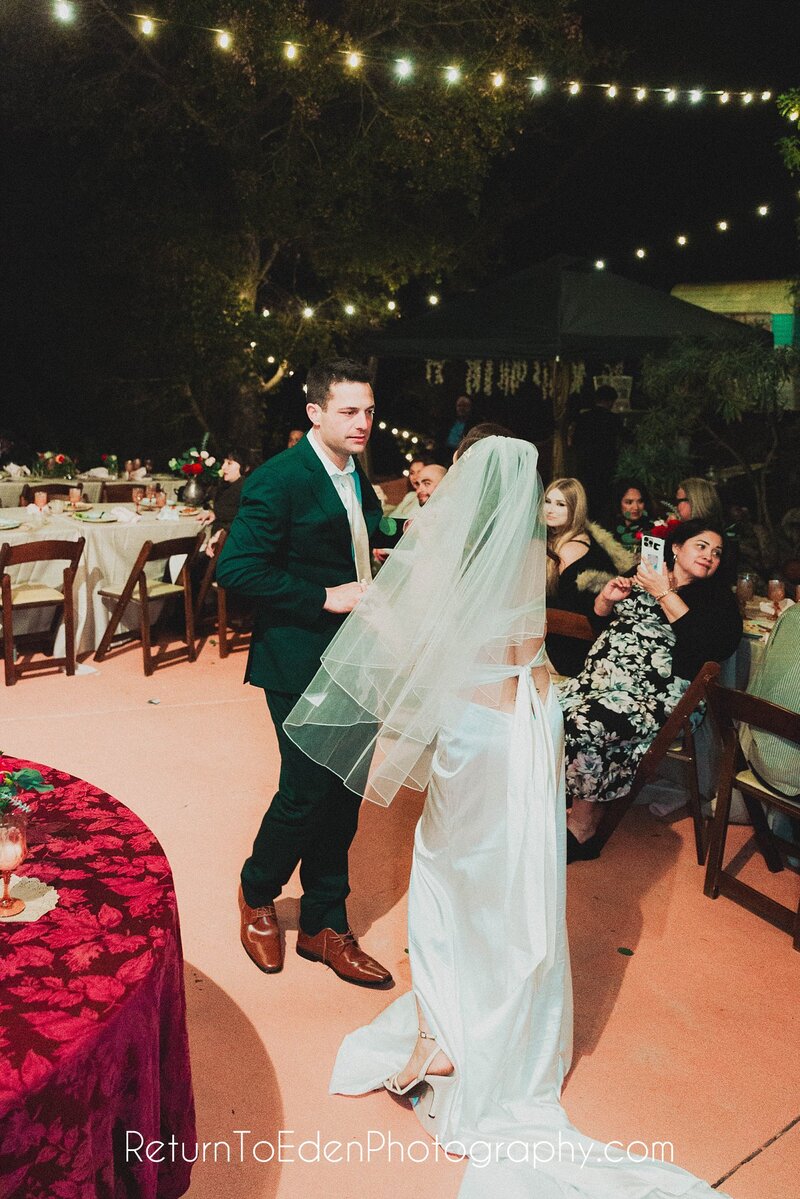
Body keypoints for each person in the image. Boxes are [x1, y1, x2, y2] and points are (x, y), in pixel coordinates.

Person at [284, 437, 733, 1199]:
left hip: (466, 728)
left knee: (446, 869)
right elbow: (530, 657)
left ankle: (440, 1027)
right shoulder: (522, 554)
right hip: (513, 727)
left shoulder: (445, 549)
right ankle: (474, 1021)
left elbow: (413, 638)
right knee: (502, 877)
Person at [216, 358, 392, 987]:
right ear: (315, 413)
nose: (362, 422)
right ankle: (256, 890)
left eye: (368, 411)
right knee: (306, 789)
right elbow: (236, 568)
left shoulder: (354, 474)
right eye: (348, 411)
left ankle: (323, 922)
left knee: (345, 792)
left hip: (360, 655)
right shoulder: (280, 478)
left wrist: (386, 545)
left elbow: (351, 540)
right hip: (298, 657)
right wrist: (324, 595)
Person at [561, 519, 742, 861]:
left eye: (717, 552)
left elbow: (708, 648)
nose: (710, 556)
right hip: (599, 680)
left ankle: (583, 825)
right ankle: (570, 802)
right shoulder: (644, 573)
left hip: (657, 696)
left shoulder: (717, 599)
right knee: (548, 711)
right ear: (676, 547)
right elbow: (600, 621)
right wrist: (606, 599)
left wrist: (663, 592)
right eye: (701, 546)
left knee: (587, 722)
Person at [544, 477, 633, 676]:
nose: (550, 509)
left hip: (571, 647)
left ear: (576, 510)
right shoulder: (559, 538)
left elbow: (561, 605)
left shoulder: (570, 548)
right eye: (547, 501)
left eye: (560, 504)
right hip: (558, 634)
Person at [571, 384, 620, 512]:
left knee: (586, 496)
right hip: (606, 464)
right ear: (610, 401)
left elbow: (575, 441)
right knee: (603, 497)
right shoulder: (613, 419)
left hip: (585, 463)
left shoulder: (583, 417)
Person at [196, 447, 253, 557]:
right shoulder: (229, 487)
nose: (223, 467)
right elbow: (231, 511)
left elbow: (247, 521)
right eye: (224, 462)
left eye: (229, 463)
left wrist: (223, 533)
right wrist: (214, 514)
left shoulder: (246, 490)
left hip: (230, 552)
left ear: (246, 468)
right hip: (219, 547)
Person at [609, 477, 655, 550]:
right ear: (618, 503)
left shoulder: (653, 529)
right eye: (629, 502)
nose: (636, 507)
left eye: (640, 501)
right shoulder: (607, 532)